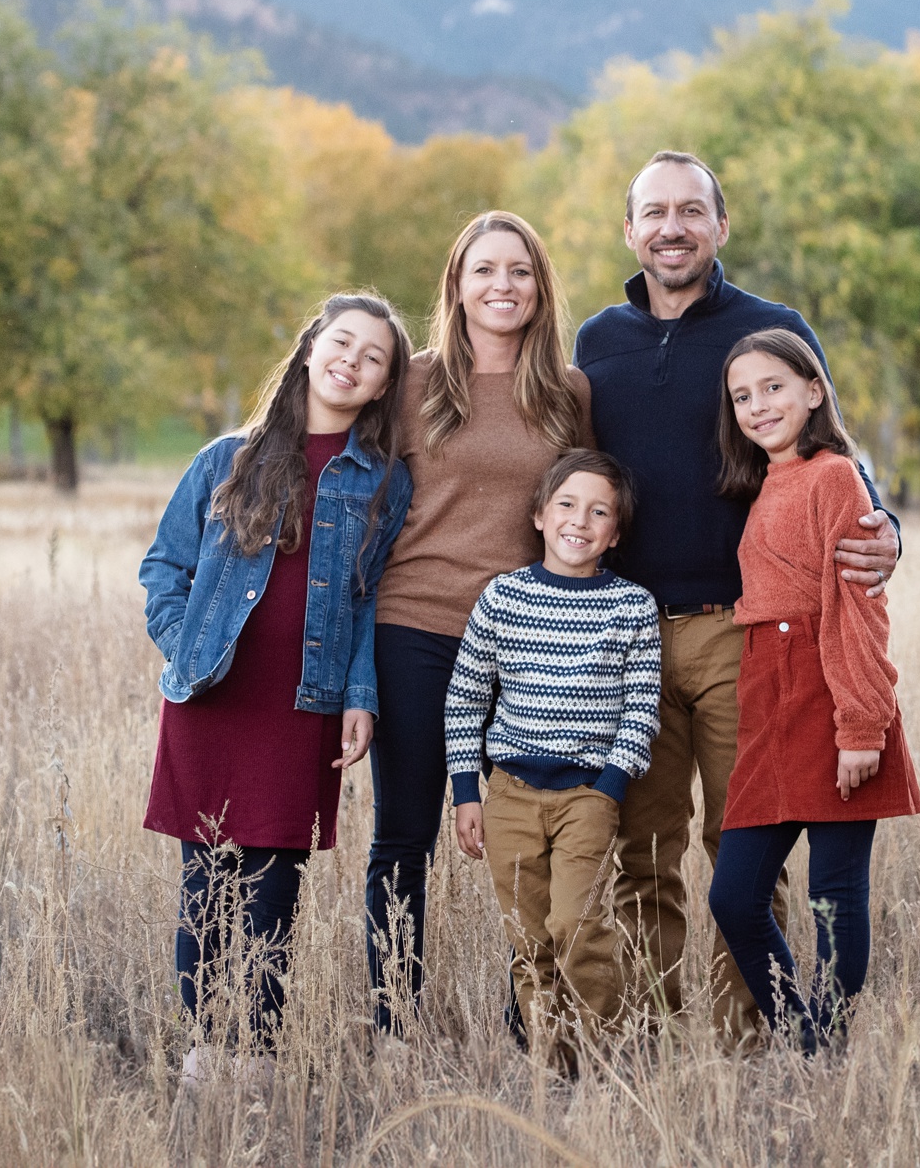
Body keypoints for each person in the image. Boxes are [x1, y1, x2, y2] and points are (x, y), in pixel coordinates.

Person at [573, 150, 901, 1036]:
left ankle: (747, 1039)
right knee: (643, 850)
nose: (671, 227)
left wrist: (888, 528)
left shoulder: (770, 326)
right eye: (654, 212)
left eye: (690, 210)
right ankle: (647, 1031)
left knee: (741, 845)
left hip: (742, 633)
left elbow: (834, 450)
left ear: (722, 225)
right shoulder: (597, 341)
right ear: (630, 229)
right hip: (628, 634)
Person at [136, 292, 414, 1079]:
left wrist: (361, 693)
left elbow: (367, 601)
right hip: (213, 702)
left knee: (272, 888)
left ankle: (255, 1054)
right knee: (206, 883)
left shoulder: (383, 483)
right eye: (343, 342)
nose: (352, 362)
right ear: (310, 345)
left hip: (303, 706)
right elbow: (164, 569)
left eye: (374, 359)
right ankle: (205, 1053)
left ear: (383, 385)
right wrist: (186, 647)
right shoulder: (225, 458)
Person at [367, 212, 591, 1032]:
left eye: (520, 270)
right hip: (415, 626)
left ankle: (530, 1017)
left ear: (541, 288)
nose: (503, 285)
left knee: (528, 838)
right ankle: (395, 1022)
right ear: (456, 285)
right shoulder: (412, 383)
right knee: (405, 837)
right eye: (484, 270)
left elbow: (586, 510)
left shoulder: (569, 391)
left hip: (529, 641)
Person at [705, 329, 920, 1051]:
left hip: (831, 694)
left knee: (834, 896)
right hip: (770, 696)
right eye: (743, 395)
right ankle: (805, 1033)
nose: (758, 405)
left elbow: (857, 606)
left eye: (773, 387)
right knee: (734, 895)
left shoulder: (835, 474)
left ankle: (824, 1049)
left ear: (813, 389)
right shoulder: (766, 480)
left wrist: (861, 726)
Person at [445, 450, 661, 1071]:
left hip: (588, 796)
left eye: (599, 512)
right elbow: (466, 699)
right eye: (566, 504)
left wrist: (610, 788)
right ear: (539, 515)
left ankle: (604, 1052)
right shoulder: (502, 598)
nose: (579, 521)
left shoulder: (631, 607)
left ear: (615, 534)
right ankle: (552, 1059)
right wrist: (467, 791)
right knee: (529, 937)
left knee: (578, 923)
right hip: (509, 793)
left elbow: (640, 709)